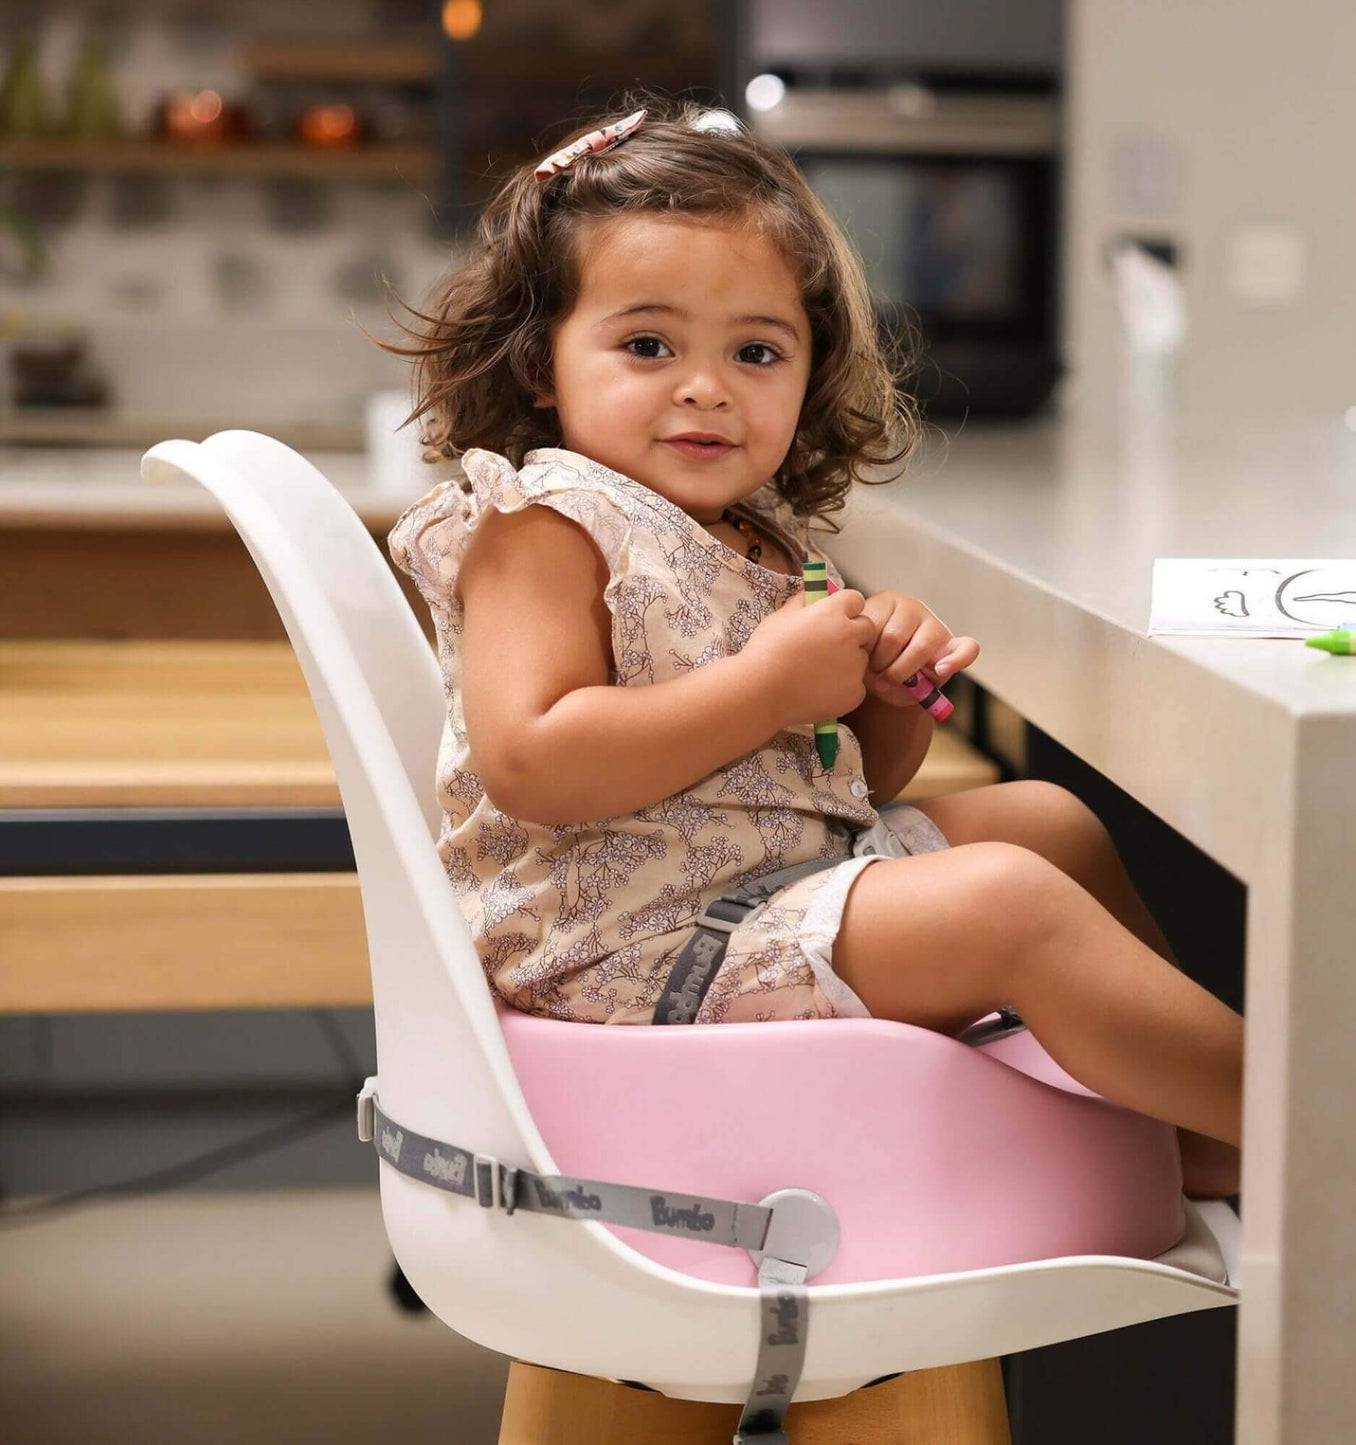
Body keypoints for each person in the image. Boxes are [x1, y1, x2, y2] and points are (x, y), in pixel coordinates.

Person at [385, 98, 1241, 1197]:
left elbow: (848, 784)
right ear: (541, 363)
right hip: (623, 946)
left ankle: (1193, 1125)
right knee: (1006, 906)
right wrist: (764, 684)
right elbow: (534, 761)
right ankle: (1322, 1132)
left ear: (809, 367)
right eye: (646, 344)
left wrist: (879, 691)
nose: (705, 384)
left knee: (1047, 822)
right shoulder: (544, 523)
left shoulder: (761, 535)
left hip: (758, 882)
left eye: (755, 350)